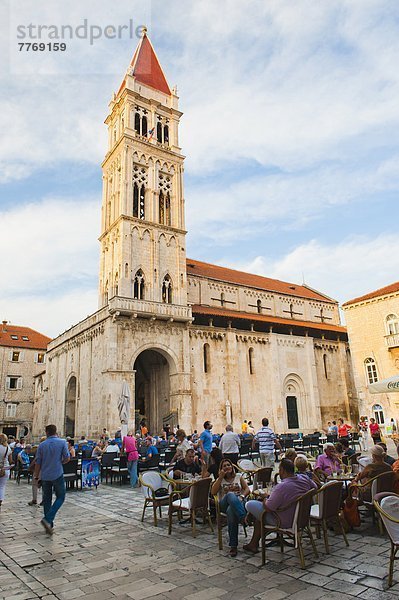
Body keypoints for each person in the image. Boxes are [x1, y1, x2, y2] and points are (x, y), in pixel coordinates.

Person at [244, 458, 317, 553]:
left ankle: (252, 540)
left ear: (282, 470)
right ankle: (253, 544)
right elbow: (315, 488)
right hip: (302, 518)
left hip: (283, 521)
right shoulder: (304, 478)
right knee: (259, 516)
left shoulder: (282, 487)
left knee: (250, 505)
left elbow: (269, 508)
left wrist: (265, 498)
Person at [34, 424, 70, 534]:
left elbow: (38, 463)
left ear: (46, 432)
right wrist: (61, 462)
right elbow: (67, 458)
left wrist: (36, 476)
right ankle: (47, 520)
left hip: (45, 476)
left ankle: (49, 523)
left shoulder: (42, 445)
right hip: (57, 474)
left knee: (47, 499)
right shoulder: (62, 442)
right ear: (55, 431)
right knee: (61, 497)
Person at [211, 458, 250, 557]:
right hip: (224, 503)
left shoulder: (238, 476)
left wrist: (242, 496)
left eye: (228, 465)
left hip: (238, 503)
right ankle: (243, 518)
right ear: (221, 469)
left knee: (231, 511)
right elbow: (213, 492)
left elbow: (247, 489)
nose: (227, 467)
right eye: (224, 466)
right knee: (230, 495)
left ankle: (233, 546)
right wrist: (220, 478)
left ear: (232, 467)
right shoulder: (220, 479)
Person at [0, 432, 13, 508]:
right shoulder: (8, 448)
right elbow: (11, 460)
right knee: (2, 486)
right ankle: (0, 500)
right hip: (5, 468)